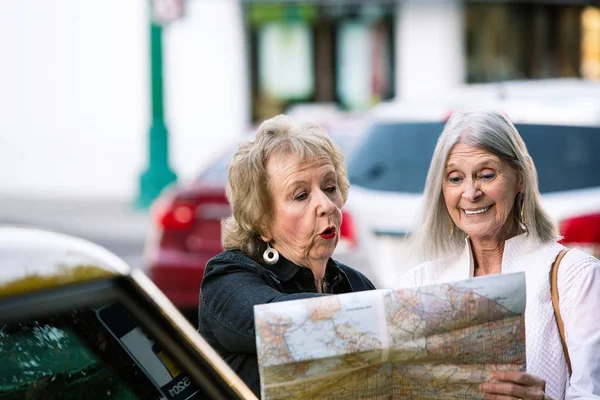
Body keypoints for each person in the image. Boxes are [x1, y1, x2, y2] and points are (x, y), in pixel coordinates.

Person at [395, 109, 600, 400]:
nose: (470, 192)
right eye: (454, 178)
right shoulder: (418, 285)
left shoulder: (575, 277)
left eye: (486, 175)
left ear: (520, 178)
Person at [197, 114, 376, 397]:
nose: (326, 205)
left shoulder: (356, 284)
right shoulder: (226, 279)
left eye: (330, 188)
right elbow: (277, 320)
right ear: (261, 220)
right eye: (301, 195)